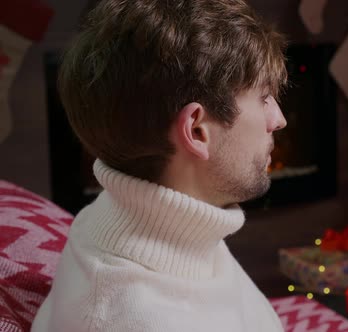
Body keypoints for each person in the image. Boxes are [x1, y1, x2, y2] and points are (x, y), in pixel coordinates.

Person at [31, 0, 288, 331]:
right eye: (264, 97)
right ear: (196, 130)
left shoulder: (129, 221)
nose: (278, 119)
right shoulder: (134, 318)